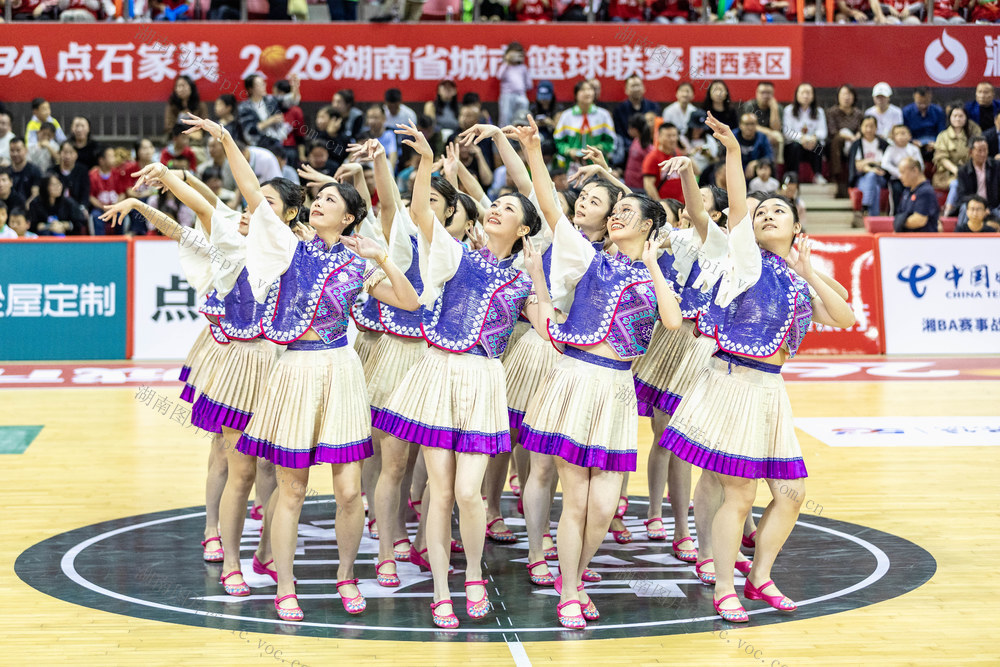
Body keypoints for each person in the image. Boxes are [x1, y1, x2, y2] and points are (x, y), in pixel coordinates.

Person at [184, 114, 418, 624]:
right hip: (293, 370)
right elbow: (252, 192)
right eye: (319, 197)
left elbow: (410, 301)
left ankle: (346, 575)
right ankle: (285, 586)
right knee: (291, 487)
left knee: (349, 491)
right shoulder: (289, 246)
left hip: (341, 372)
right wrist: (225, 138)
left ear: (349, 217)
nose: (320, 202)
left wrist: (383, 258)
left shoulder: (359, 264)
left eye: (331, 199)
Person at [661, 110, 854, 624]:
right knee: (740, 493)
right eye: (761, 211)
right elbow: (738, 211)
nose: (767, 215)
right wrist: (732, 151)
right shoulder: (745, 259)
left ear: (796, 226)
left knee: (792, 493)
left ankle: (759, 575)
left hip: (771, 392)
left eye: (778, 211)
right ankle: (725, 585)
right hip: (733, 384)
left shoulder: (796, 277)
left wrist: (808, 270)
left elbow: (845, 317)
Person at [515, 114, 683, 630]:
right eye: (616, 210)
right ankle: (569, 589)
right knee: (578, 499)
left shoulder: (658, 273)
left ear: (648, 226)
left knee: (605, 506)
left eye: (627, 211)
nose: (616, 216)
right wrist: (534, 150)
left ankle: (576, 575)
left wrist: (652, 265)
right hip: (576, 377)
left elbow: (672, 321)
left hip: (616, 388)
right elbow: (550, 207)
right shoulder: (587, 259)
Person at [372, 120, 540, 630]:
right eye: (495, 204)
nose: (497, 208)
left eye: (508, 208)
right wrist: (426, 163)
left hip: (484, 380)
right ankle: (443, 590)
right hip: (439, 373)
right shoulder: (454, 253)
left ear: (524, 229)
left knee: (469, 492)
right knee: (440, 493)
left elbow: (550, 330)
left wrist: (540, 282)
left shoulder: (525, 278)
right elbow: (421, 213)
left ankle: (472, 575)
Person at [632, 155, 729, 571]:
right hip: (670, 340)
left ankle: (697, 531)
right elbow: (640, 219)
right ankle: (662, 516)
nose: (692, 207)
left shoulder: (727, 245)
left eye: (702, 202)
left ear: (718, 214)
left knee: (697, 444)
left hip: (706, 348)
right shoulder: (681, 238)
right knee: (663, 435)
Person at [934, 104, 982, 215]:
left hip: (969, 172)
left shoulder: (972, 135)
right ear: (950, 118)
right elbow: (941, 158)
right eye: (955, 116)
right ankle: (947, 211)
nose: (958, 119)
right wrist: (956, 170)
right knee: (956, 183)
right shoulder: (943, 136)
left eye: (961, 116)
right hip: (947, 174)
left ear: (966, 118)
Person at [554, 80, 615, 167]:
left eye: (590, 89)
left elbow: (610, 141)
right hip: (572, 165)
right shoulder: (567, 116)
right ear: (576, 94)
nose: (587, 93)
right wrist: (569, 151)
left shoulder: (603, 115)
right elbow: (558, 140)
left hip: (597, 165)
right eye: (582, 90)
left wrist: (597, 149)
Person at [238, 73, 301, 152]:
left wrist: (295, 87)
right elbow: (249, 130)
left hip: (275, 143)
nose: (263, 86)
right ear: (250, 89)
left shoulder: (271, 100)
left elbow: (291, 101)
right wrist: (271, 120)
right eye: (259, 85)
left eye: (263, 83)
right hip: (257, 145)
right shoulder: (245, 107)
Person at [782, 83, 827, 184]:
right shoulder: (789, 110)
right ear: (797, 95)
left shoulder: (819, 111)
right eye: (802, 93)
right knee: (794, 147)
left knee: (818, 146)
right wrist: (802, 138)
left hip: (812, 144)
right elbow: (787, 131)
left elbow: (823, 132)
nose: (805, 96)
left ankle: (818, 175)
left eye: (808, 93)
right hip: (795, 144)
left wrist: (813, 138)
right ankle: (793, 176)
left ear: (813, 95)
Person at [847, 116, 889, 218]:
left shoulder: (883, 143)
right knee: (875, 187)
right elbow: (857, 166)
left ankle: (865, 205)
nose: (869, 129)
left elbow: (884, 164)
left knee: (872, 177)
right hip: (862, 178)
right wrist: (872, 167)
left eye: (872, 126)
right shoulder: (857, 144)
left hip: (881, 177)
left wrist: (866, 163)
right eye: (866, 126)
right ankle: (873, 217)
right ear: (861, 127)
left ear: (876, 128)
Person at [827, 84, 863, 198]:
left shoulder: (858, 113)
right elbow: (832, 131)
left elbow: (861, 130)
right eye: (844, 94)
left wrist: (856, 136)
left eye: (849, 94)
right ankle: (837, 176)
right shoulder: (832, 112)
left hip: (854, 143)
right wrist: (849, 137)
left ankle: (853, 177)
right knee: (837, 140)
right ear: (838, 96)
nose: (846, 97)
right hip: (837, 144)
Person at [954, 137, 1000, 224]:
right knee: (964, 208)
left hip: (993, 206)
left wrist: (989, 208)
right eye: (979, 151)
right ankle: (961, 231)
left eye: (985, 150)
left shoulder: (996, 166)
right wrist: (981, 206)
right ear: (971, 152)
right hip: (974, 205)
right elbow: (963, 196)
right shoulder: (963, 171)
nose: (983, 154)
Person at [740, 81, 784, 166]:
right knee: (772, 137)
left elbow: (776, 128)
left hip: (772, 137)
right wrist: (769, 132)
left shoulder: (778, 107)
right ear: (757, 93)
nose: (765, 96)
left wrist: (774, 109)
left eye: (769, 93)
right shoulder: (750, 105)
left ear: (773, 94)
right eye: (763, 92)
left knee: (776, 137)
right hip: (754, 134)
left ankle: (775, 166)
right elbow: (749, 126)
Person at [882, 125, 923, 213]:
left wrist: (911, 175)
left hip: (912, 179)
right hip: (897, 178)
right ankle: (894, 214)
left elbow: (920, 166)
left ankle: (914, 213)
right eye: (897, 134)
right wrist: (898, 173)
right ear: (893, 137)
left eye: (903, 133)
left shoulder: (914, 149)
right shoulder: (891, 149)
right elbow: (884, 164)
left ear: (909, 136)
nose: (900, 137)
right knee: (896, 191)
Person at [894, 157, 940, 233]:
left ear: (915, 170)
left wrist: (899, 222)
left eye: (902, 172)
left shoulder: (926, 191)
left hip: (922, 238)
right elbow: (899, 215)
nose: (900, 176)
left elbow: (919, 220)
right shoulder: (907, 191)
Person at [613, 74, 658, 151]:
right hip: (627, 149)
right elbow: (619, 134)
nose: (636, 89)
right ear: (626, 90)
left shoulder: (653, 107)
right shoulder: (619, 110)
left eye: (638, 85)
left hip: (651, 148)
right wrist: (634, 147)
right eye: (633, 86)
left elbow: (657, 131)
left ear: (643, 88)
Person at [903, 87, 946, 165]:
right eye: (919, 103)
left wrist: (936, 143)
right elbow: (904, 131)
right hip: (914, 143)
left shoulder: (938, 111)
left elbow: (942, 131)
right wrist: (911, 141)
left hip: (934, 143)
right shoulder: (906, 112)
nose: (923, 106)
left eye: (926, 102)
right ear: (914, 97)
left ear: (930, 97)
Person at [642, 122, 684, 202]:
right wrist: (660, 205)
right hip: (665, 204)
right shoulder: (652, 158)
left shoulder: (678, 154)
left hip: (680, 203)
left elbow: (697, 171)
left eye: (674, 135)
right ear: (659, 137)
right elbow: (648, 184)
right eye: (668, 136)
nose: (672, 139)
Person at [89, 145, 126, 235]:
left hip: (115, 207)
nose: (114, 159)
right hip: (100, 209)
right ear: (101, 160)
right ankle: (100, 241)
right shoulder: (93, 175)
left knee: (122, 215)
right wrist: (103, 207)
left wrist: (115, 206)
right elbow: (91, 197)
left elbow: (122, 194)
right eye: (111, 156)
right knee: (96, 216)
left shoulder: (117, 173)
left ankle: (120, 240)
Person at [164, 75, 210, 140]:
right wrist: (183, 133)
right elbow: (169, 126)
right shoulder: (172, 106)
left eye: (183, 85)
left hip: (196, 140)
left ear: (191, 87)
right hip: (177, 140)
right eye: (178, 86)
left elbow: (205, 125)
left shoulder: (200, 106)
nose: (181, 89)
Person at [497, 43, 533, 128]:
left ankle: (521, 135)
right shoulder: (506, 66)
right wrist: (507, 61)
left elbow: (529, 84)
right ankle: (503, 135)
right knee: (505, 118)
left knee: (522, 117)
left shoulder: (523, 67)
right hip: (507, 95)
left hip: (521, 95)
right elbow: (499, 76)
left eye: (518, 54)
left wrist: (521, 87)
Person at [49, 141, 90, 205]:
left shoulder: (82, 170)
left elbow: (85, 194)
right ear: (59, 153)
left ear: (76, 155)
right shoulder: (52, 171)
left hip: (77, 206)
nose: (67, 156)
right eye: (65, 152)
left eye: (71, 152)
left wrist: (82, 207)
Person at [735, 114, 774, 180]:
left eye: (752, 124)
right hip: (736, 168)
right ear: (740, 125)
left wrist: (755, 163)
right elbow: (723, 156)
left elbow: (769, 157)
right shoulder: (733, 136)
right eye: (746, 124)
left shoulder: (762, 137)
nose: (750, 127)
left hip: (757, 171)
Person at [362, 104, 399, 172]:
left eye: (376, 118)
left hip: (386, 168)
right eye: (370, 118)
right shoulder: (362, 136)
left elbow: (393, 156)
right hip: (368, 170)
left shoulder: (390, 133)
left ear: (383, 118)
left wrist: (389, 173)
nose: (372, 121)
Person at [624, 114, 653, 190]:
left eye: (629, 128)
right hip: (629, 183)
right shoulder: (636, 140)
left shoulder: (648, 148)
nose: (628, 130)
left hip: (639, 187)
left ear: (635, 130)